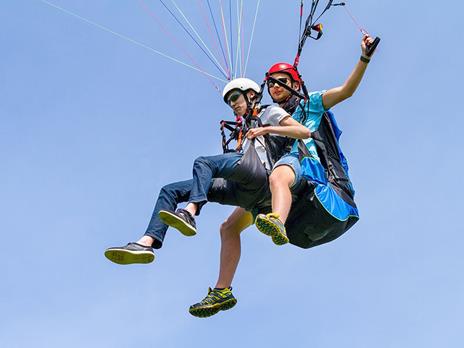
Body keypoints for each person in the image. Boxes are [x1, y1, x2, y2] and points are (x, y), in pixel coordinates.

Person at [189, 34, 375, 318]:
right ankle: (223, 290)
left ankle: (277, 219)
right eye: (271, 82)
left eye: (281, 81)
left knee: (279, 176)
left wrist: (364, 58)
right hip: (280, 181)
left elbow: (347, 91)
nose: (275, 87)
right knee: (229, 227)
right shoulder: (268, 114)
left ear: (294, 83)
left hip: (308, 169)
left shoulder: (311, 102)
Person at [104, 77, 308, 265]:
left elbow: (303, 131)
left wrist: (266, 129)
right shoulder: (243, 127)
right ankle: (146, 243)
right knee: (170, 190)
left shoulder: (269, 112)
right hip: (242, 189)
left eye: (236, 97)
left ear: (252, 95)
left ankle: (190, 211)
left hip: (259, 173)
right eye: (229, 102)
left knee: (204, 163)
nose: (233, 104)